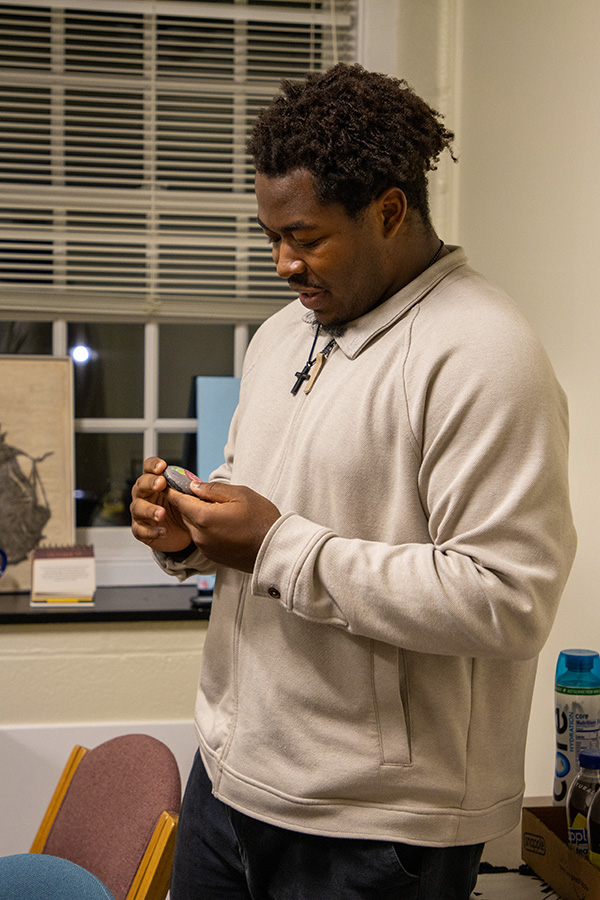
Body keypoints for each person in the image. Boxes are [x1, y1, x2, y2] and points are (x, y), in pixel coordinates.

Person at [130, 64, 577, 899]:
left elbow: (510, 599)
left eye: (305, 237)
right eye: (271, 236)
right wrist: (190, 534)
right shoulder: (280, 336)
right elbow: (255, 504)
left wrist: (276, 545)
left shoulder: (486, 355)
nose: (282, 264)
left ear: (390, 211)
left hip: (376, 828)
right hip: (229, 782)